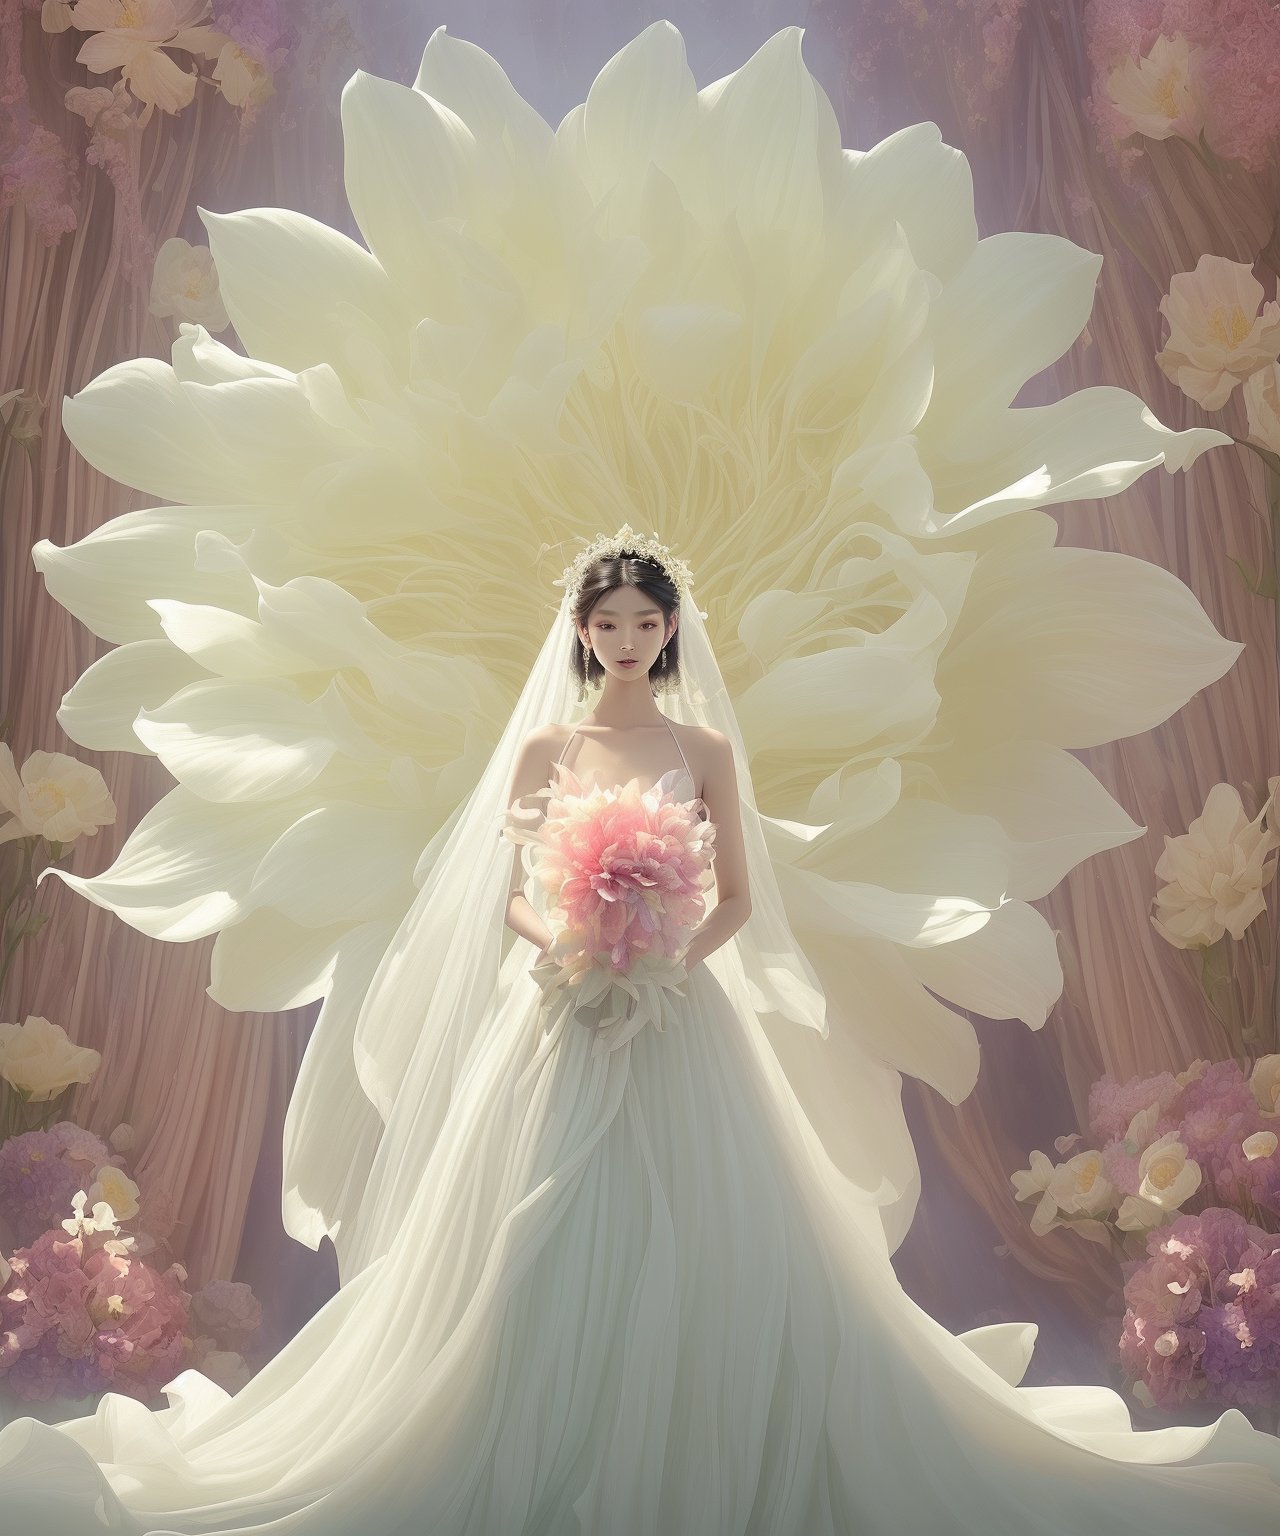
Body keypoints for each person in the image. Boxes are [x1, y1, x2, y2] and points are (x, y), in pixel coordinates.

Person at [2, 525, 1279, 1536]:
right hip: (559, 1002)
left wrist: (665, 959)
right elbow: (501, 890)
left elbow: (735, 898)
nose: (624, 640)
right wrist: (563, 943)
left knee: (713, 1216)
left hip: (676, 1006)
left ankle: (702, 1445)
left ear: (669, 631)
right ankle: (531, 1436)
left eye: (643, 622)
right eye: (606, 623)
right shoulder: (547, 750)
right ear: (581, 631)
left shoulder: (703, 746)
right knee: (540, 1215)